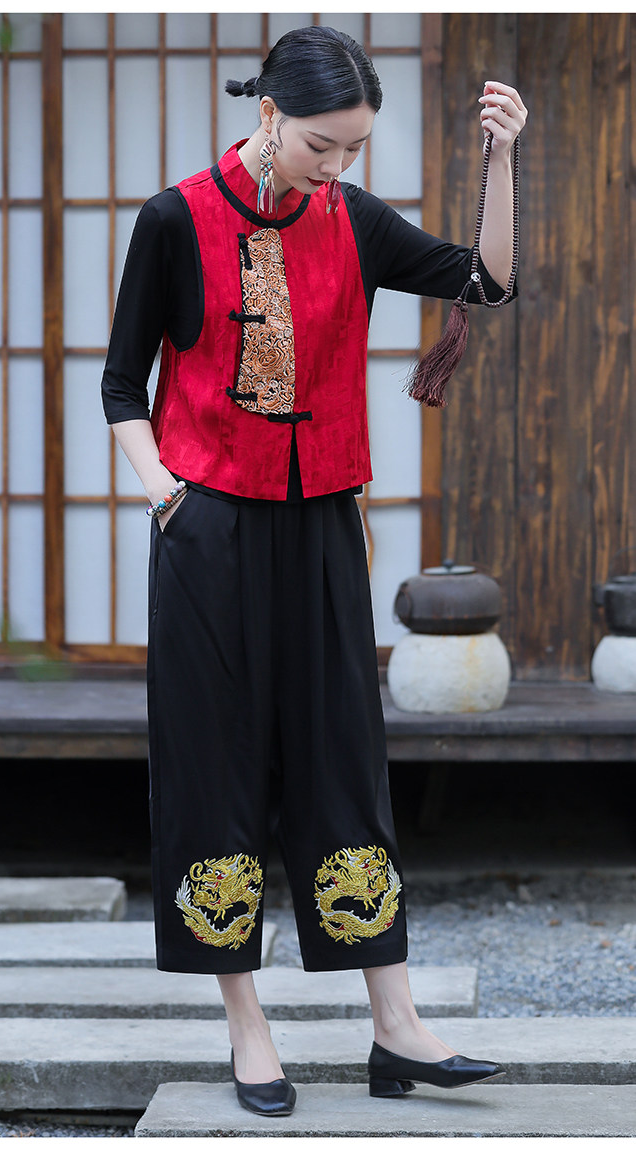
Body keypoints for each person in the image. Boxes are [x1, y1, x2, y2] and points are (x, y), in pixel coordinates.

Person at [101, 25, 527, 1117]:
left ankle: (396, 1026)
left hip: (325, 522)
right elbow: (121, 386)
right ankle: (249, 1029)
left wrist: (502, 159)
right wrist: (164, 493)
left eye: (354, 149)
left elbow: (486, 280)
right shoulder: (173, 219)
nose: (337, 167)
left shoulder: (355, 219)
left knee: (345, 757)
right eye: (321, 146)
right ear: (270, 114)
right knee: (216, 768)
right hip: (208, 531)